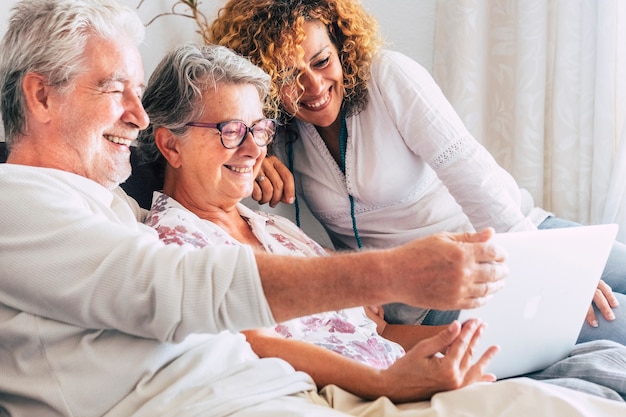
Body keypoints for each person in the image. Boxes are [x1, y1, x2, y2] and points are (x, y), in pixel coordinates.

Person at [2, 1, 624, 416]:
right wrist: (397, 281)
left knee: (593, 350)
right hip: (353, 383)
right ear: (40, 95)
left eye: (261, 129)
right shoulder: (64, 213)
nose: (135, 118)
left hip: (501, 248)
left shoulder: (126, 209)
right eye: (116, 91)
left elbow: (379, 321)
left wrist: (478, 342)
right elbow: (184, 294)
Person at [137, 42, 626, 404]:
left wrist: (468, 345)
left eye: (258, 129)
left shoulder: (272, 228)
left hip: (443, 320)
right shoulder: (171, 244)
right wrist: (385, 383)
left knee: (599, 342)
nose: (251, 148)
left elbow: (382, 331)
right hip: (381, 387)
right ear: (170, 145)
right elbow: (246, 340)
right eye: (229, 131)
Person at [208, 0, 626, 344]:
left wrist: (550, 267)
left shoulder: (388, 77)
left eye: (321, 61)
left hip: (523, 232)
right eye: (290, 77)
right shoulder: (271, 134)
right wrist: (259, 155)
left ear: (341, 46)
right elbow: (241, 209)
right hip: (440, 288)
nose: (314, 87)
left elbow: (472, 173)